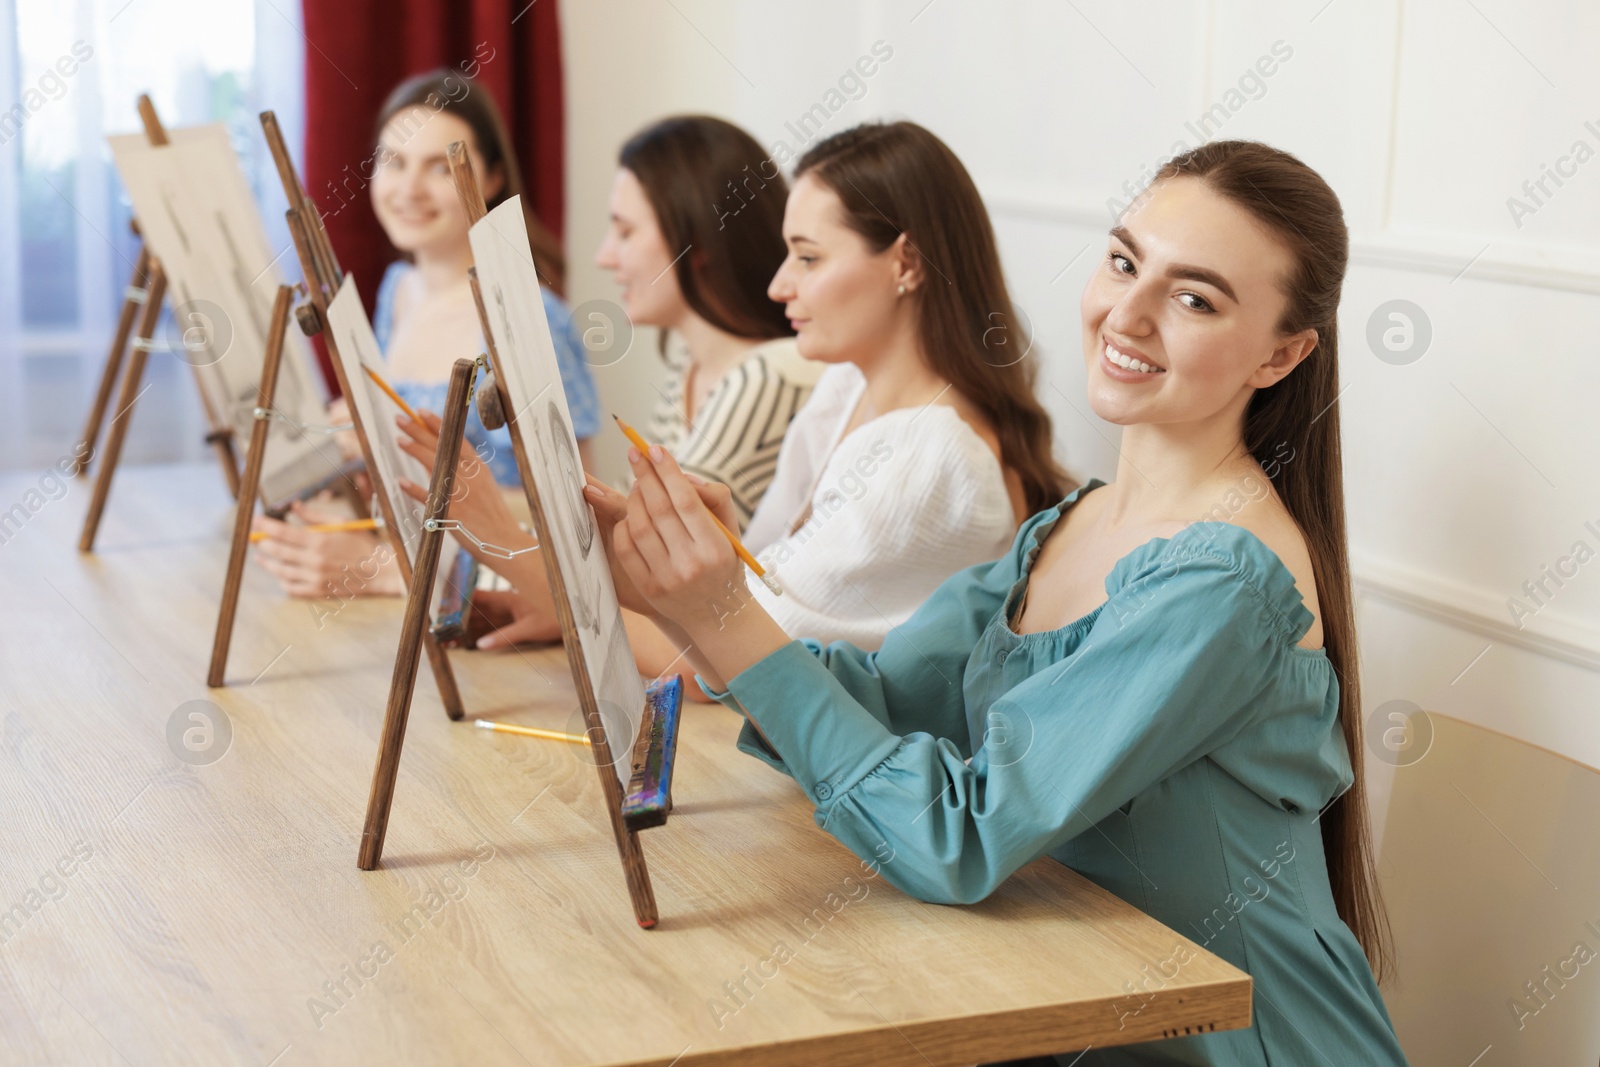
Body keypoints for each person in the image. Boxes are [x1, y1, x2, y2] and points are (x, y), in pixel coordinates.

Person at [590, 139, 1409, 1065]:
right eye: (1124, 261)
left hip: (1243, 1045)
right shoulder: (1066, 527)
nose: (1126, 314)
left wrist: (721, 615)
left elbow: (963, 833)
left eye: (1193, 298)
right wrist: (683, 596)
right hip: (1082, 1015)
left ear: (1282, 353)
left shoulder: (1223, 583)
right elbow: (881, 700)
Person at [408, 121, 1069, 672]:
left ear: (907, 263)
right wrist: (640, 562)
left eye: (808, 258)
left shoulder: (934, 456)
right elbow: (747, 600)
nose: (780, 285)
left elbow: (734, 658)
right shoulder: (844, 391)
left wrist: (504, 543)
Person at [396, 115, 822, 651]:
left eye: (625, 231)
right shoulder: (693, 369)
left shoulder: (764, 376)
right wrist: (552, 605)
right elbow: (641, 580)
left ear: (697, 240)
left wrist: (499, 540)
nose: (604, 255)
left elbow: (658, 588)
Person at [251, 69, 598, 599]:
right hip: (408, 573)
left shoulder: (530, 320)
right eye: (394, 161)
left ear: (493, 179)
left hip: (482, 593)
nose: (409, 188)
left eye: (440, 167)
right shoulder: (399, 289)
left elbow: (573, 514)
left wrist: (383, 563)